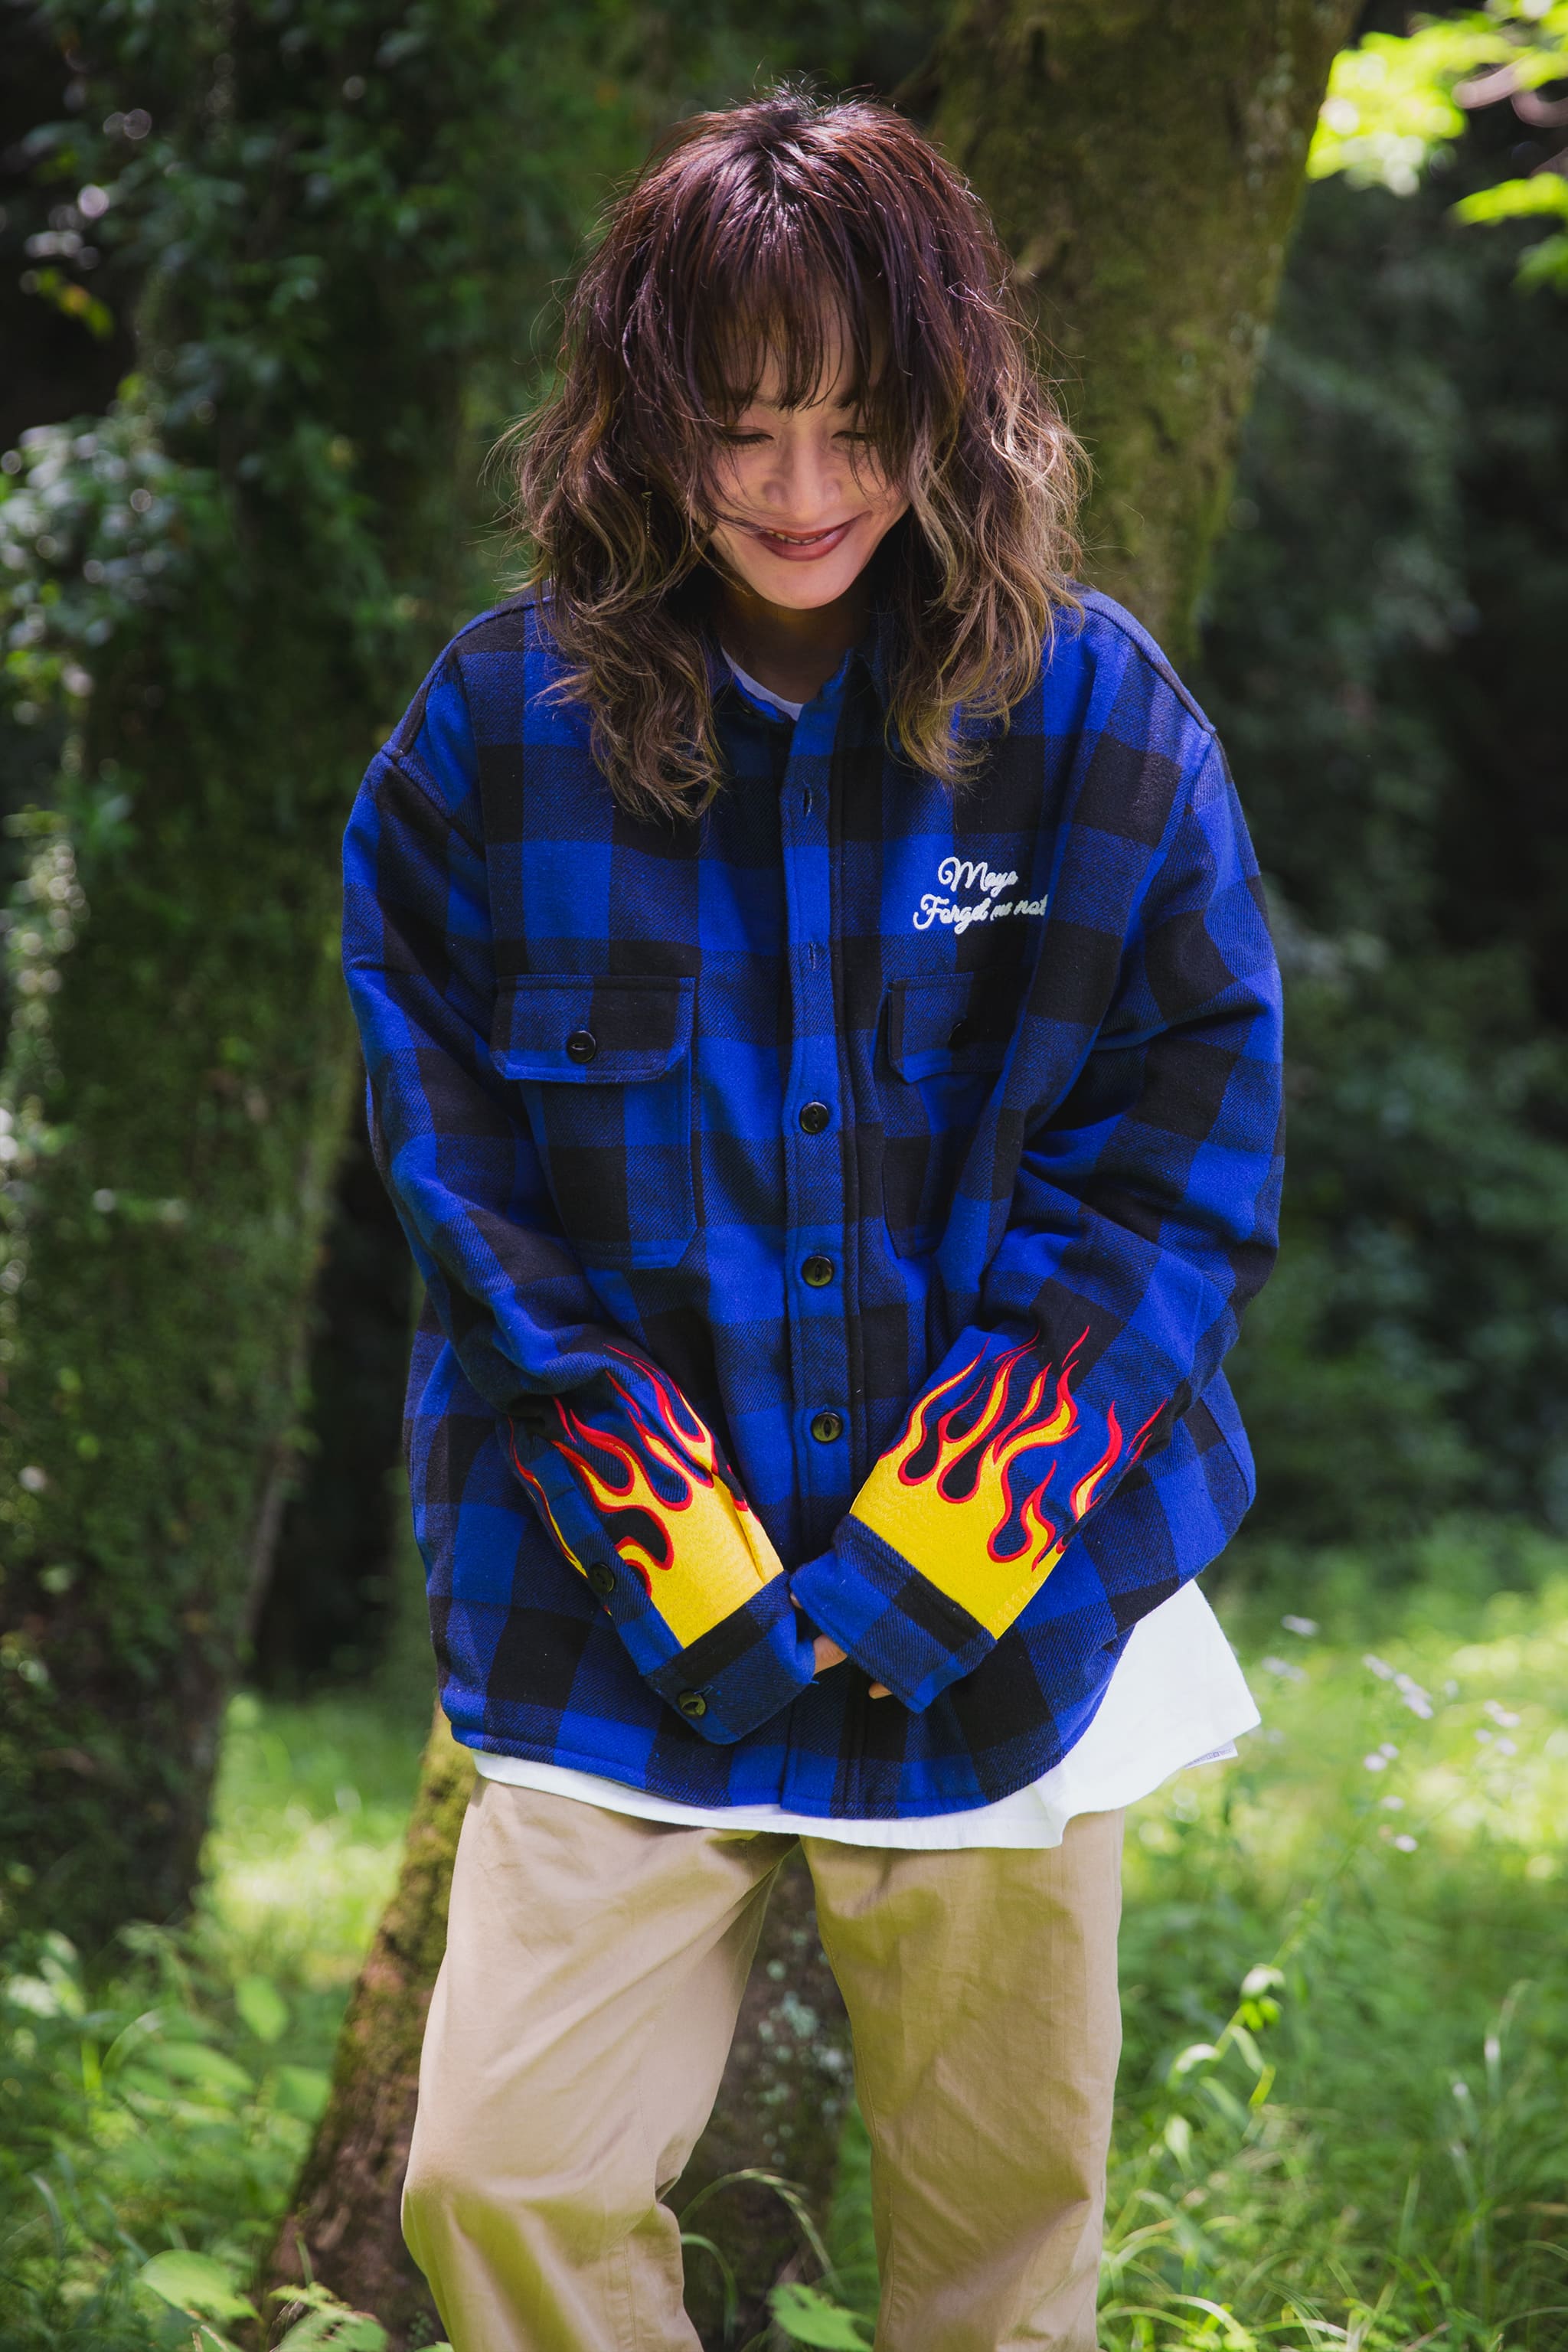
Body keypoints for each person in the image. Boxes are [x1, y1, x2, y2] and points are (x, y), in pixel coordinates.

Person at [342, 86, 1282, 2352]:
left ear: (957, 404)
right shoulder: (488, 736)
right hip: (608, 1614)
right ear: (638, 415)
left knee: (999, 2259)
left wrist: (932, 1553)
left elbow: (1181, 1163)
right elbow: (465, 1191)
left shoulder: (1098, 721)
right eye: (740, 426)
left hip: (1013, 1625)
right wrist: (696, 1562)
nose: (795, 487)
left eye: (857, 424)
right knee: (501, 2184)